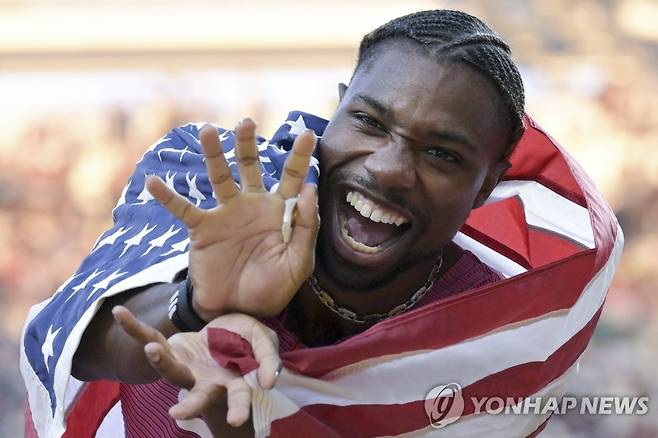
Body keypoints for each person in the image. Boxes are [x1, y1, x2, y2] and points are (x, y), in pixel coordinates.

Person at [21, 9, 622, 438]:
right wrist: (195, 309)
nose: (389, 170)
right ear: (336, 110)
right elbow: (80, 335)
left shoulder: (494, 330)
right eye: (369, 122)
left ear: (486, 186)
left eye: (442, 154)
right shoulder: (218, 178)